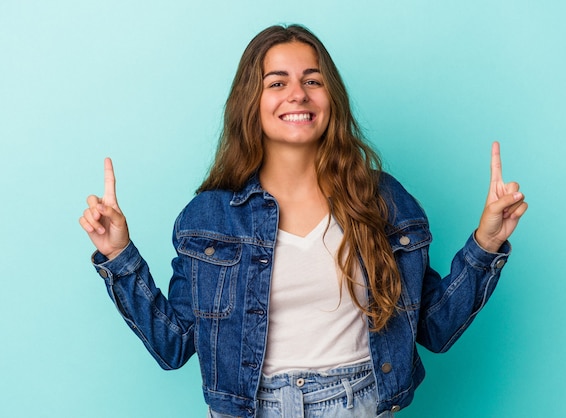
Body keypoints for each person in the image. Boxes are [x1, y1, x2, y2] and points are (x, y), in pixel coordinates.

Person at [79, 24, 527, 418]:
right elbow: (173, 345)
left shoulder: (380, 199)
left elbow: (433, 326)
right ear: (250, 102)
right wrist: (119, 256)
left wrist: (485, 246)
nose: (298, 94)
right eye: (278, 82)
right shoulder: (209, 217)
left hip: (358, 404)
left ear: (330, 97)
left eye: (312, 80)